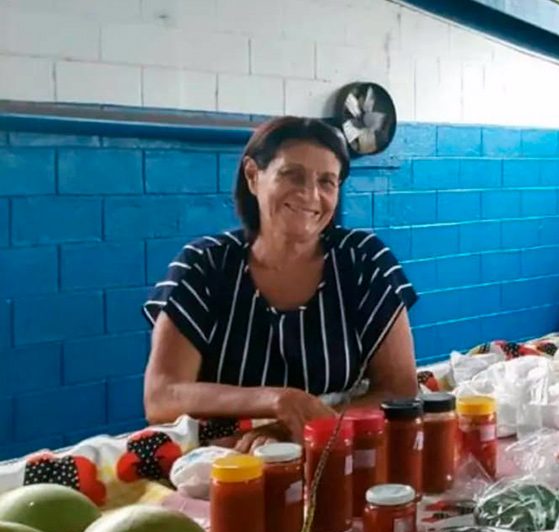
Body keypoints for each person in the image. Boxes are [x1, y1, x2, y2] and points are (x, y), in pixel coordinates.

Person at [143, 116, 419, 451]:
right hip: (227, 465)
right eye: (292, 175)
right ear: (252, 175)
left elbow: (399, 390)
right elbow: (162, 396)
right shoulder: (204, 267)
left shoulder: (363, 262)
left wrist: (302, 427)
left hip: (334, 453)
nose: (310, 195)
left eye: (327, 182)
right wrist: (276, 400)